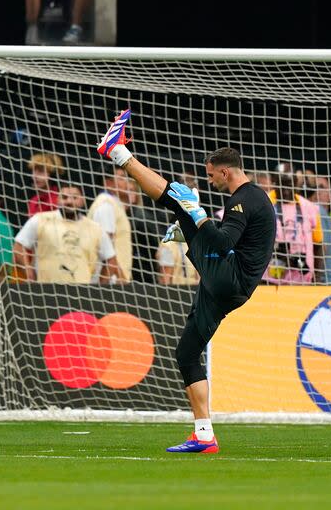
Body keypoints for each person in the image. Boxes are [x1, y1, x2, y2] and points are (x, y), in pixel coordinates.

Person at [97, 109, 275, 454]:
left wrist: (197, 215)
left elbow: (223, 243)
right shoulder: (246, 199)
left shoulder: (246, 198)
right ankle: (204, 435)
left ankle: (117, 153)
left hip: (229, 278)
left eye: (212, 176)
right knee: (187, 353)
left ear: (226, 171)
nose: (211, 180)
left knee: (181, 201)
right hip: (226, 285)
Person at [14, 184, 121, 283]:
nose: (69, 201)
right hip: (46, 292)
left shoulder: (95, 229)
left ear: (82, 201)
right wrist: (28, 271)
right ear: (57, 200)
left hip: (82, 295)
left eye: (74, 198)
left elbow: (111, 260)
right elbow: (18, 247)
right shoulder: (40, 219)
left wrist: (99, 289)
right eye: (64, 197)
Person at [263, 169, 323, 284]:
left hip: (302, 279)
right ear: (274, 183)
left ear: (296, 184)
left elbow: (318, 244)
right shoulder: (263, 205)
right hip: (269, 279)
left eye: (289, 185)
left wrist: (317, 278)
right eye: (281, 186)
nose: (285, 191)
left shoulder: (310, 207)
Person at [87, 166, 133, 282]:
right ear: (108, 183)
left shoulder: (113, 204)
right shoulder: (106, 205)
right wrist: (120, 278)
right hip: (110, 280)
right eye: (121, 178)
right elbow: (106, 248)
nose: (126, 182)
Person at [26, 152, 63, 217]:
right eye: (34, 171)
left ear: (52, 175)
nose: (34, 176)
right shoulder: (33, 201)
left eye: (41, 171)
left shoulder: (59, 200)